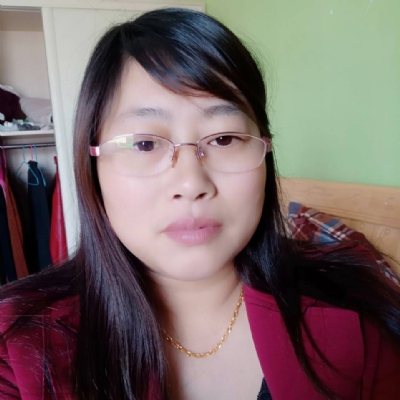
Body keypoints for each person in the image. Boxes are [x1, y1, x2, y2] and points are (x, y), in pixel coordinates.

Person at [1, 7, 400, 400]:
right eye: (145, 144)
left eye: (224, 139)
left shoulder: (358, 315)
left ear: (265, 152)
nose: (191, 183)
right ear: (93, 165)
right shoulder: (16, 346)